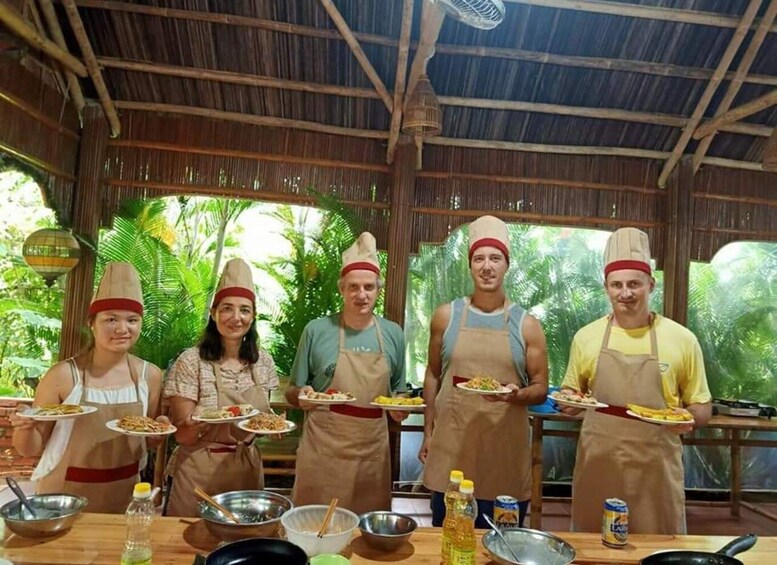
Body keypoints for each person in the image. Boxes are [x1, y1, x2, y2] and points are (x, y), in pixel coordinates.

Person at [560, 227, 712, 535]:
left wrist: (689, 418)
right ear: (606, 287)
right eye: (616, 285)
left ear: (651, 284)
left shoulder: (681, 339)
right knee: (593, 547)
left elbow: (702, 405)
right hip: (598, 464)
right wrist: (568, 403)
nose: (625, 293)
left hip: (655, 470)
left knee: (657, 547)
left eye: (634, 284)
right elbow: (571, 392)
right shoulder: (586, 338)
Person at [420, 215, 549, 529]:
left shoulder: (527, 325)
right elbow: (434, 375)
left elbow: (541, 387)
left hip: (504, 457)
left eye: (495, 258)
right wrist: (427, 433)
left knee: (503, 550)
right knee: (448, 544)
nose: (487, 266)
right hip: (452, 454)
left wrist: (518, 395)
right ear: (470, 265)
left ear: (507, 265)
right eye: (479, 258)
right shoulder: (446, 316)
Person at [11, 262, 166, 513]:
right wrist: (25, 427)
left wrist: (157, 434)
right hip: (63, 499)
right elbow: (29, 448)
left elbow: (145, 441)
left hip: (126, 498)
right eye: (110, 319)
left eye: (132, 320)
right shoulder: (63, 376)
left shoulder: (150, 376)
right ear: (91, 323)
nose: (122, 329)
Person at [286, 232, 407, 515]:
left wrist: (399, 409)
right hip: (323, 448)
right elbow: (293, 390)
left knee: (365, 533)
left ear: (378, 290)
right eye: (353, 287)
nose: (361, 295)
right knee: (313, 523)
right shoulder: (317, 330)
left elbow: (399, 392)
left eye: (368, 287)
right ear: (342, 289)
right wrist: (301, 395)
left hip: (372, 451)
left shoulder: (393, 334)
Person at [164, 258, 279, 517]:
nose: (236, 318)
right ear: (214, 313)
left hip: (247, 469)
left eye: (245, 310)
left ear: (253, 316)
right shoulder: (191, 361)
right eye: (227, 308)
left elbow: (259, 424)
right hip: (199, 473)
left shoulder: (263, 362)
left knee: (243, 549)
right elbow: (182, 435)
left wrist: (271, 427)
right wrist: (200, 422)